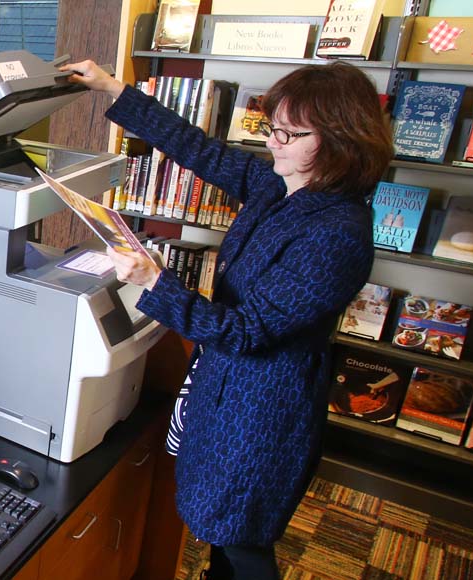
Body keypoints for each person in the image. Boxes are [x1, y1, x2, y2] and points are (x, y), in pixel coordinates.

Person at [60, 60, 392, 579]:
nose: (274, 142)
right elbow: (201, 150)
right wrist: (112, 87)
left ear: (340, 141)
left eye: (290, 132)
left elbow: (246, 331)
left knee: (240, 532)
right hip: (228, 385)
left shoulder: (337, 233)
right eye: (272, 127)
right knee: (220, 526)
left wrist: (154, 282)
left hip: (264, 403)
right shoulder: (286, 185)